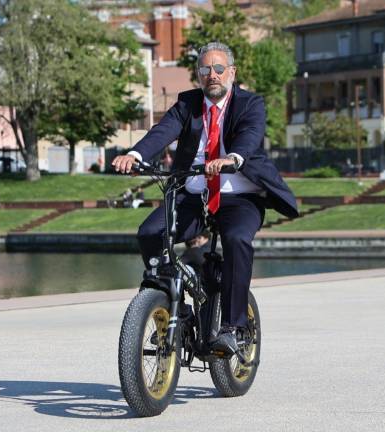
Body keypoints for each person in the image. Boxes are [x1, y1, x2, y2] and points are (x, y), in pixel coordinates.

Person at [112, 42, 298, 355]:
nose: (212, 75)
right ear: (199, 75)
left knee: (238, 239)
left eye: (219, 68)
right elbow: (162, 132)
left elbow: (251, 136)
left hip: (239, 197)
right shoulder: (187, 104)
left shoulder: (250, 104)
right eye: (205, 69)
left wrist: (233, 158)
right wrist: (134, 154)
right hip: (194, 194)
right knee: (150, 233)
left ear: (232, 72)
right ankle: (173, 306)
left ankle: (233, 327)